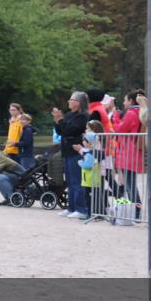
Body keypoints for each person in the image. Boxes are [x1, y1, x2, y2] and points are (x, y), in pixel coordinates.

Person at [54, 91, 91, 219]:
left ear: (78, 102)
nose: (69, 101)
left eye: (72, 99)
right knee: (69, 181)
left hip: (76, 151)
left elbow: (70, 130)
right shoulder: (69, 115)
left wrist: (60, 121)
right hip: (67, 150)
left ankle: (81, 208)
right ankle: (71, 207)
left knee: (77, 181)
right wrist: (57, 121)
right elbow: (60, 131)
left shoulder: (83, 116)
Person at [112, 89, 146, 216]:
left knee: (130, 184)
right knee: (131, 183)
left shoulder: (132, 113)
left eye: (125, 100)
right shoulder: (141, 112)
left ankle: (136, 211)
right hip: (135, 151)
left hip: (128, 152)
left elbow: (120, 129)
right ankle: (136, 210)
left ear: (131, 101)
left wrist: (115, 118)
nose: (124, 103)